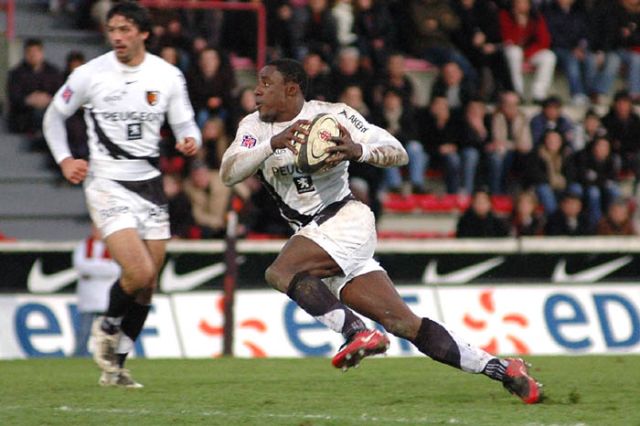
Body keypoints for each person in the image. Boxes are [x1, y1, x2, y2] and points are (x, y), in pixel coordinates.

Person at [220, 58, 543, 404]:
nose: (257, 90)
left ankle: (354, 331)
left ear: (291, 89)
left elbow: (398, 153)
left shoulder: (334, 116)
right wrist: (273, 144)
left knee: (280, 272)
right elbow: (229, 173)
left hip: (344, 219)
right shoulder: (254, 128)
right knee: (405, 324)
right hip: (315, 236)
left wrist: (359, 151)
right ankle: (503, 370)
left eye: (266, 83)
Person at [43, 1, 201, 387]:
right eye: (112, 29)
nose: (117, 36)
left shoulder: (167, 75)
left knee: (148, 285)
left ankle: (116, 367)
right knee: (139, 271)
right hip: (107, 183)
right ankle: (108, 326)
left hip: (150, 184)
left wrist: (190, 139)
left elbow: (185, 123)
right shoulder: (89, 74)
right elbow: (53, 116)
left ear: (144, 33)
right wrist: (65, 160)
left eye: (125, 29)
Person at [73, 225, 121, 357]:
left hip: (106, 295)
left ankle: (107, 354)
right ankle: (79, 354)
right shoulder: (83, 246)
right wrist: (102, 269)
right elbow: (80, 266)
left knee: (108, 330)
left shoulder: (114, 246)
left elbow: (115, 269)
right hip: (88, 296)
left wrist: (91, 270)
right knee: (84, 329)